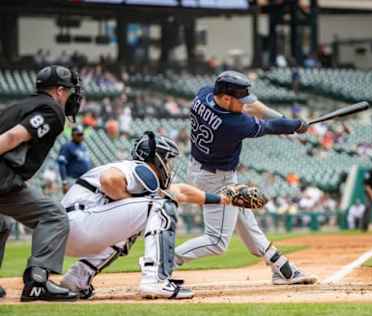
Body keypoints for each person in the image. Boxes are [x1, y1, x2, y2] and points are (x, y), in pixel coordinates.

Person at [175, 70, 317, 289]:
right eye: (239, 100)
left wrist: (287, 121)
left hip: (200, 168)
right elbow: (269, 127)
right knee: (216, 241)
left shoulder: (203, 95)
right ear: (225, 98)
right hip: (217, 179)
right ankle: (163, 261)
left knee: (247, 224)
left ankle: (282, 268)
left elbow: (253, 106)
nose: (244, 104)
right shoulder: (234, 124)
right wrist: (295, 125)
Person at [59, 132, 234, 300]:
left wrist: (225, 199)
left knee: (152, 206)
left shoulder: (142, 179)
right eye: (167, 160)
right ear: (157, 158)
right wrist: (127, 201)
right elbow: (109, 179)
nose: (169, 165)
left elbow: (181, 192)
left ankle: (76, 279)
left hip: (68, 232)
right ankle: (155, 280)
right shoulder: (138, 168)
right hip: (79, 221)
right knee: (160, 204)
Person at [0, 65, 83, 301]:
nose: (70, 96)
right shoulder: (52, 109)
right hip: (2, 179)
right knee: (53, 215)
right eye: (68, 91)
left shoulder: (18, 106)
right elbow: (14, 137)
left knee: (2, 224)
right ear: (58, 90)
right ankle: (38, 282)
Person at [57, 126, 92, 193]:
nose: (81, 136)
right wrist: (64, 182)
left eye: (82, 134)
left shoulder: (83, 146)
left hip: (83, 180)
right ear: (73, 135)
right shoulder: (67, 146)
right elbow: (61, 165)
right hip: (72, 179)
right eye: (79, 134)